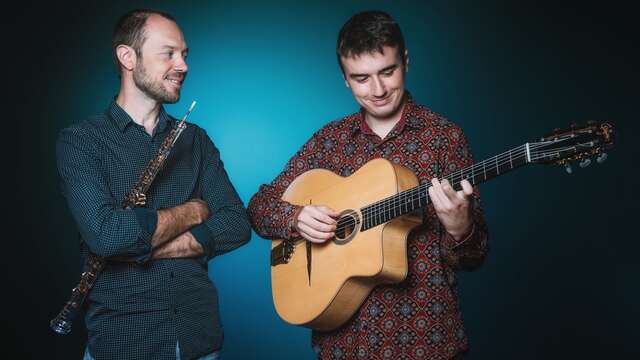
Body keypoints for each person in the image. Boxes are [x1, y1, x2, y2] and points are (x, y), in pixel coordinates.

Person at [248, 10, 488, 360]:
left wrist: (461, 228)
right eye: (361, 78)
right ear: (345, 79)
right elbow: (260, 206)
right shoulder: (328, 142)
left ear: (405, 61)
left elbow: (473, 258)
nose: (377, 90)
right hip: (344, 344)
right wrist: (296, 217)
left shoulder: (444, 139)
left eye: (387, 72)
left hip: (425, 340)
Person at [56, 9, 251, 360]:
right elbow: (107, 235)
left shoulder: (196, 141)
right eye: (169, 53)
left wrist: (145, 245)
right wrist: (194, 210)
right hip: (124, 343)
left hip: (199, 339)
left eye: (185, 55)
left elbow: (237, 224)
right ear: (127, 57)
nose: (183, 65)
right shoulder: (82, 141)